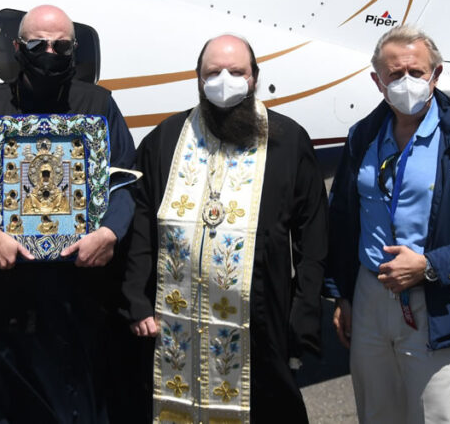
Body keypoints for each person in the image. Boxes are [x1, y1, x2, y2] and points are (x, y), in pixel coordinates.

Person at [0, 4, 136, 424]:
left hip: (79, 288)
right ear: (19, 47)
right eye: (39, 44)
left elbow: (126, 183)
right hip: (5, 290)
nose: (50, 53)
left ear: (74, 50)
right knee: (5, 406)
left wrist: (111, 232)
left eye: (61, 45)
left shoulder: (99, 104)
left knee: (79, 405)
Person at [121, 34, 328, 424]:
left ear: (255, 78)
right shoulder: (165, 139)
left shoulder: (287, 140)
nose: (224, 80)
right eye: (213, 72)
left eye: (236, 71)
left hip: (260, 319)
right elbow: (141, 224)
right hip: (174, 318)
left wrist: (304, 310)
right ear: (198, 79)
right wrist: (135, 296)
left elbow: (312, 234)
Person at [325, 25, 450, 423]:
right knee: (376, 412)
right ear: (377, 82)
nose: (406, 82)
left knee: (437, 416)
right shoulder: (362, 136)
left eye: (415, 72)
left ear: (435, 74)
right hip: (369, 292)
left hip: (437, 296)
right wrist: (342, 293)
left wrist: (430, 264)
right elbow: (343, 218)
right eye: (394, 74)